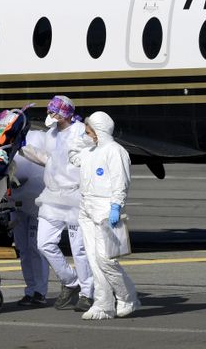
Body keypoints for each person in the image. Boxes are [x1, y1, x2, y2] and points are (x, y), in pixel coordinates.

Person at [21, 96, 94, 311]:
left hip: (75, 197)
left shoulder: (81, 131)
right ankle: (71, 281)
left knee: (79, 249)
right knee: (44, 243)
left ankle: (87, 293)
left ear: (66, 114)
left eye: (54, 112)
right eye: (50, 112)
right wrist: (22, 148)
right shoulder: (51, 134)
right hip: (52, 197)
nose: (50, 116)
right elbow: (47, 159)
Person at [69, 111, 140, 320]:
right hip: (86, 206)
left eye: (89, 130)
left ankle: (128, 297)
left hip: (106, 208)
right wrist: (79, 137)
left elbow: (121, 181)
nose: (87, 133)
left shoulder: (115, 151)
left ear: (99, 130)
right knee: (93, 259)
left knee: (106, 259)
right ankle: (103, 304)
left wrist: (116, 206)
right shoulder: (90, 151)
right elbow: (73, 157)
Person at [10, 130, 50, 307]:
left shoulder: (37, 140)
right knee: (23, 249)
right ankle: (30, 289)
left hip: (36, 203)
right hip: (17, 202)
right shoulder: (7, 144)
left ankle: (40, 291)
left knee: (35, 247)